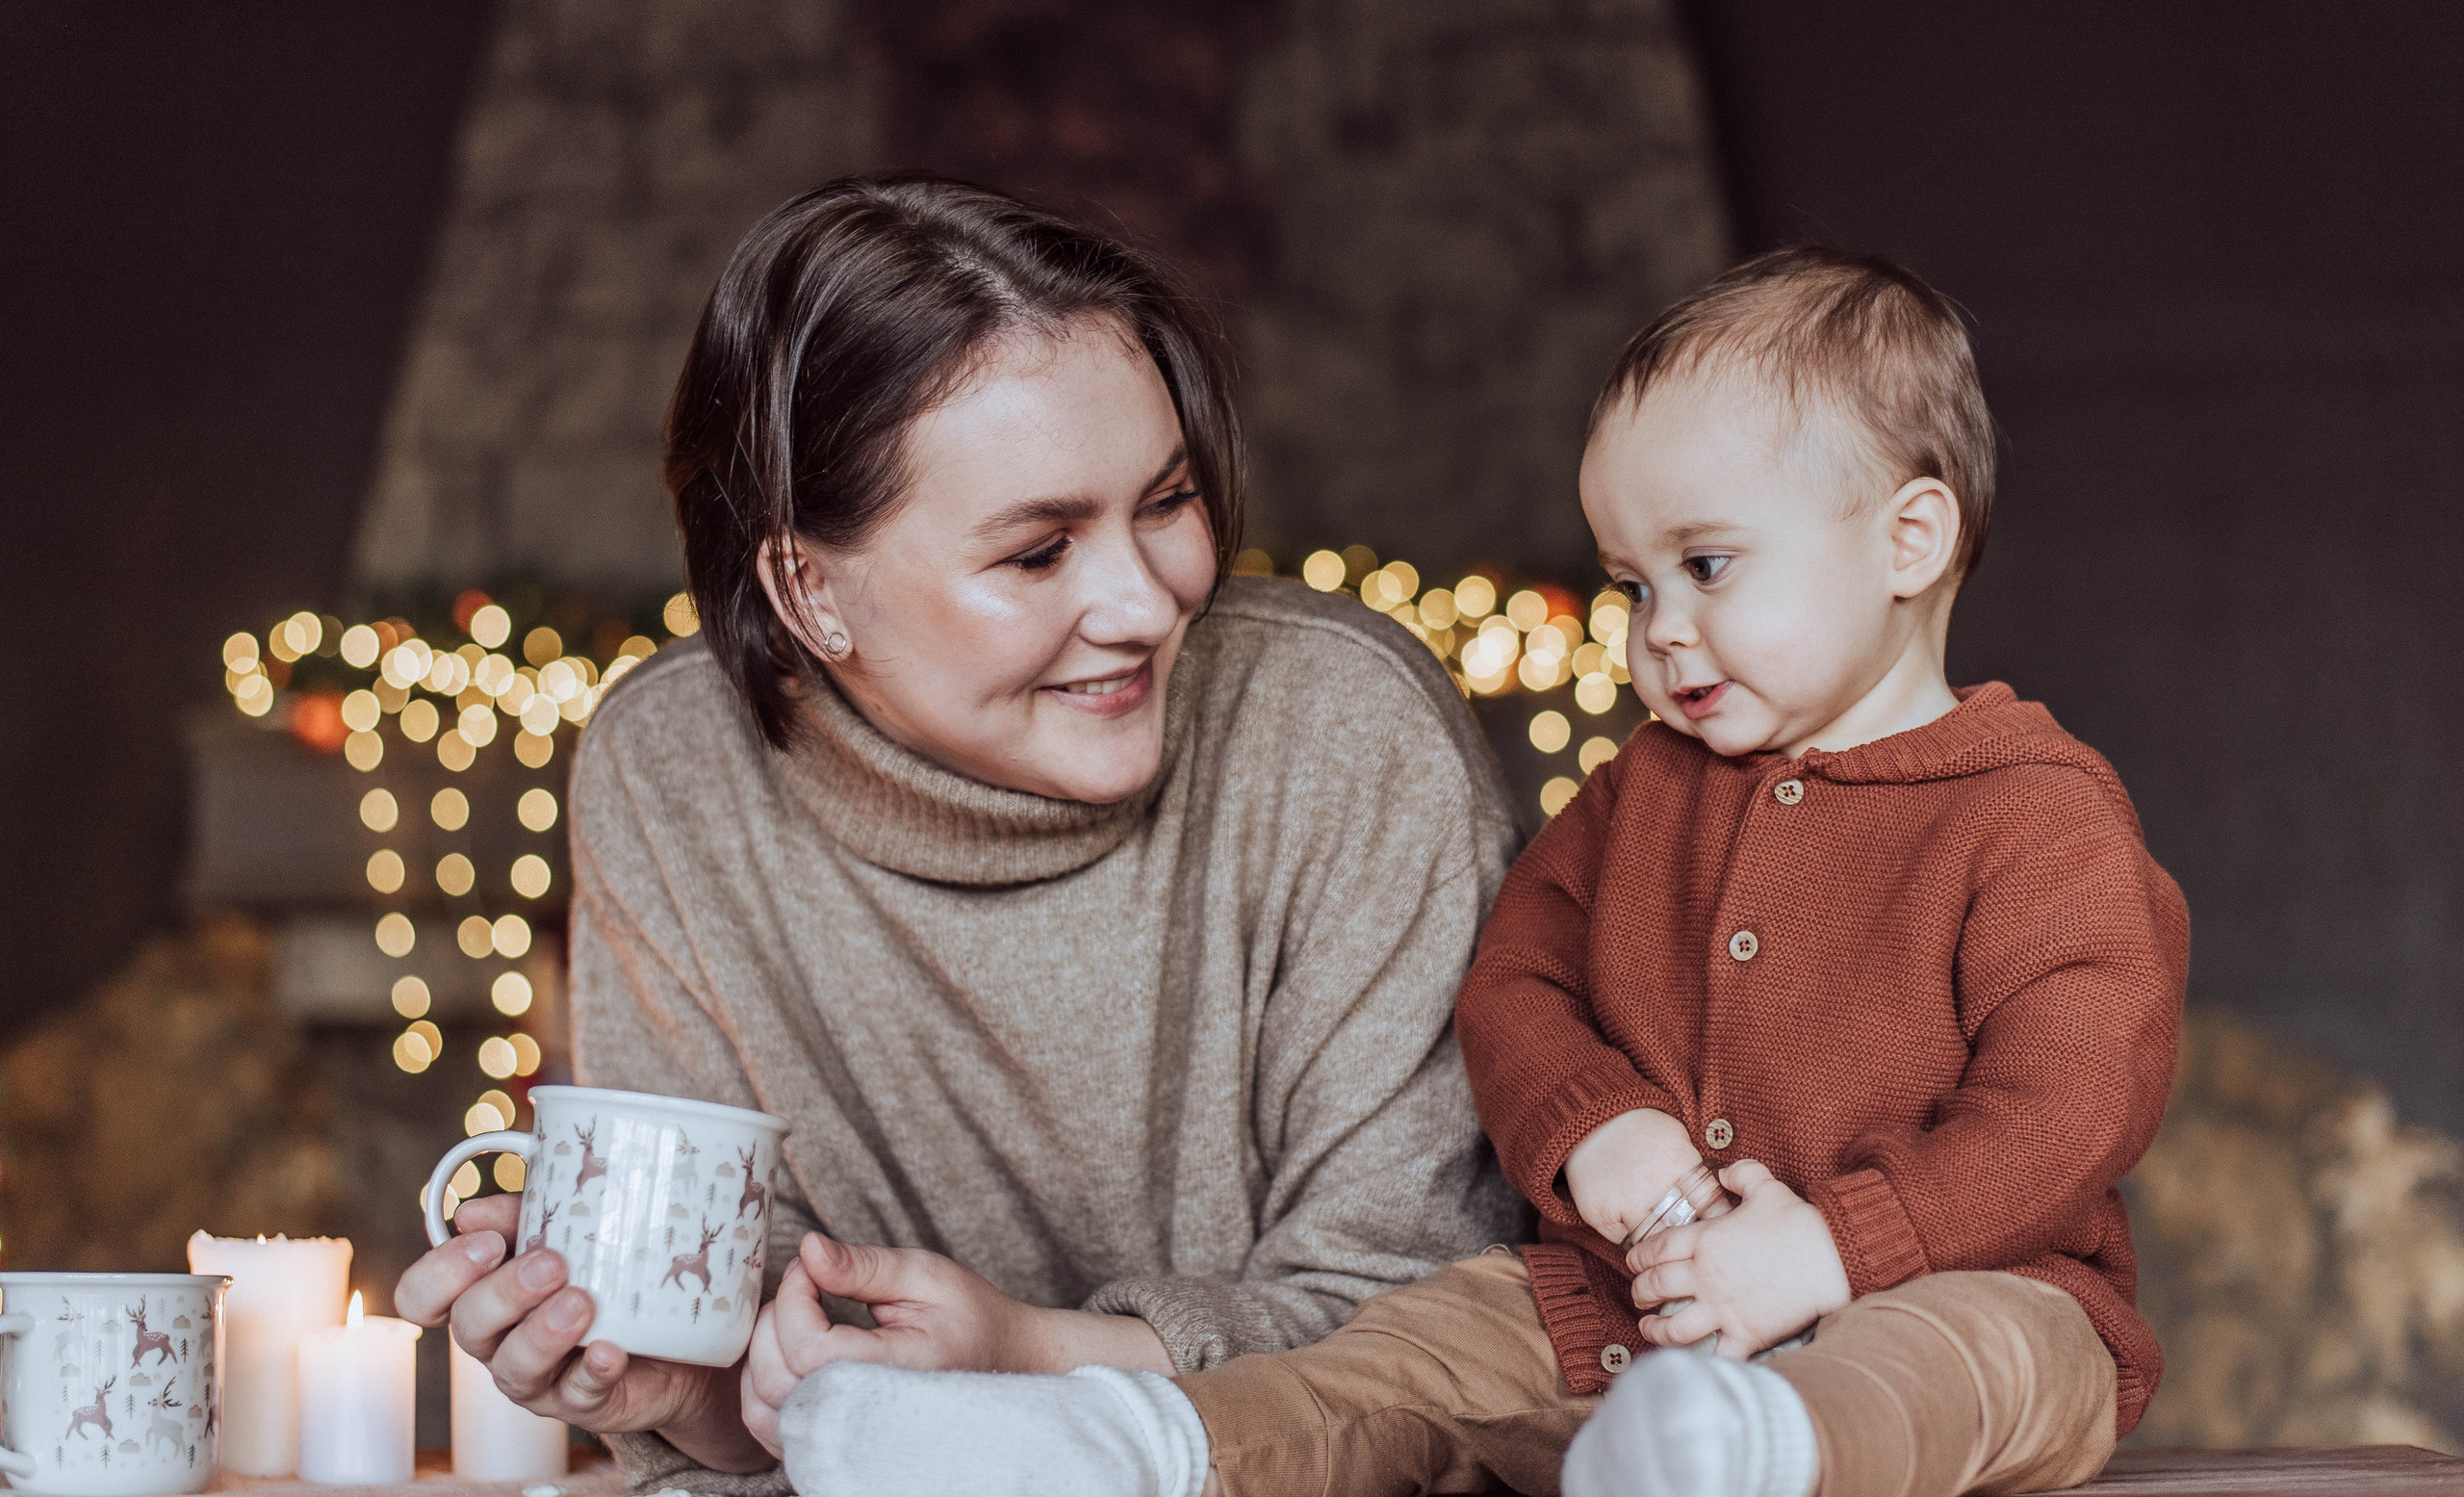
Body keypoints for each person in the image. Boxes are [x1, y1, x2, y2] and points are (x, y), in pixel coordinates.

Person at [768, 246, 2188, 1497]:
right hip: (1617, 1300)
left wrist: (1839, 1250)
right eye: (1633, 584)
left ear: (1909, 540)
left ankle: (1756, 1454)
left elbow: (2072, 1095)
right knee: (1398, 1359)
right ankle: (1127, 1450)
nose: (1660, 632)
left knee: (1979, 1367)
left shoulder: (2036, 813)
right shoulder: (1644, 789)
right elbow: (1517, 977)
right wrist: (1596, 1127)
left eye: (1707, 565)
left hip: (1963, 1278)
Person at [390, 174, 1527, 1491]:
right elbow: (765, 1401)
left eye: (1166, 501)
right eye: (1039, 551)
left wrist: (1036, 1359)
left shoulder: (1344, 727)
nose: (1147, 603)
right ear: (809, 586)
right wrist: (685, 1383)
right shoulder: (669, 766)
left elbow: (1442, 1331)